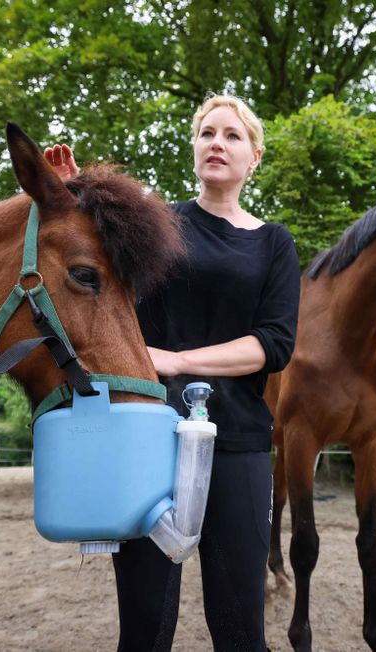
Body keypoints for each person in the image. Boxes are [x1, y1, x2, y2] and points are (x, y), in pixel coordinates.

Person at [44, 95, 300, 651]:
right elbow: (86, 258)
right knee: (144, 627)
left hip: (238, 443)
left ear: (253, 156)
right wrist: (68, 199)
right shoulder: (157, 222)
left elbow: (274, 344)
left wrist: (177, 360)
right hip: (146, 437)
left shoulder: (274, 243)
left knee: (239, 630)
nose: (217, 143)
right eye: (207, 133)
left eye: (232, 136)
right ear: (194, 148)